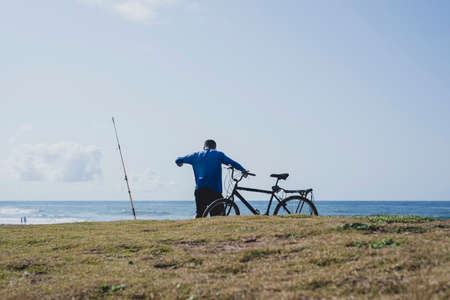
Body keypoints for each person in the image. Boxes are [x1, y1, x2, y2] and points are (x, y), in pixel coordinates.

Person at [175, 139, 247, 218]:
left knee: (200, 214)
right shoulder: (218, 154)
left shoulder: (195, 155)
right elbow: (232, 163)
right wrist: (243, 170)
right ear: (215, 147)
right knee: (218, 216)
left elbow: (178, 159)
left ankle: (197, 229)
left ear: (204, 147)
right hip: (214, 191)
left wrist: (180, 163)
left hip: (199, 191)